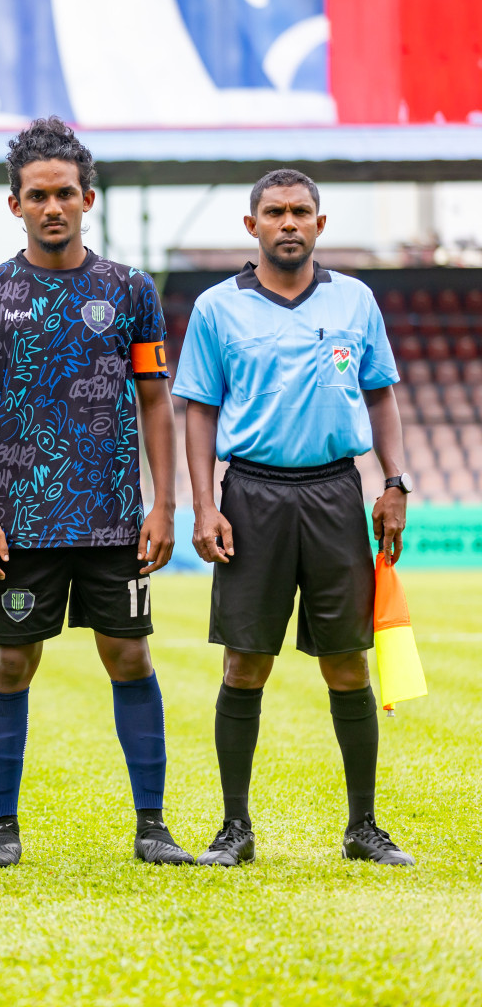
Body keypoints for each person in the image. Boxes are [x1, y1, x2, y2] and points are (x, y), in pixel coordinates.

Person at [0, 117, 191, 867]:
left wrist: (163, 503)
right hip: (19, 524)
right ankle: (2, 828)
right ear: (13, 204)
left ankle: (152, 827)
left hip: (114, 519)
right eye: (38, 195)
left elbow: (155, 397)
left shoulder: (130, 290)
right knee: (11, 665)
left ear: (88, 198)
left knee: (131, 659)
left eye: (66, 193)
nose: (53, 206)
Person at [175, 168, 415, 867]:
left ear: (320, 223)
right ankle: (235, 828)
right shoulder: (219, 309)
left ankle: (363, 827)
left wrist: (393, 482)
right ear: (251, 226)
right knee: (245, 661)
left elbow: (381, 396)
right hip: (251, 495)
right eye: (274, 212)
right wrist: (204, 502)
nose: (288, 222)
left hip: (337, 493)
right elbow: (198, 411)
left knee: (347, 662)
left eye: (300, 212)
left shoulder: (355, 301)